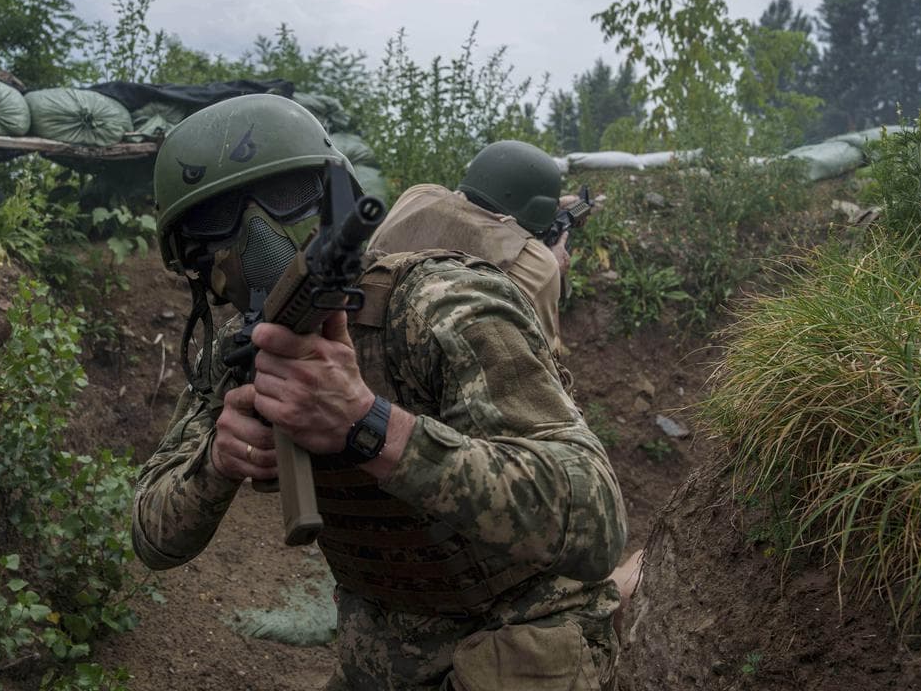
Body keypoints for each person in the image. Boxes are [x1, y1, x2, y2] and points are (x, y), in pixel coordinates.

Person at [131, 94, 627, 691]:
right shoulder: (238, 355)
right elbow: (152, 537)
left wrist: (369, 425)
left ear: (330, 197)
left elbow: (597, 519)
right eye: (218, 219)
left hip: (523, 638)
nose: (258, 235)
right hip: (384, 652)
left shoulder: (442, 306)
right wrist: (218, 460)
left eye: (285, 197)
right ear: (193, 259)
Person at [367, 139, 583, 356]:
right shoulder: (538, 265)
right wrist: (555, 270)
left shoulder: (416, 196)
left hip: (362, 352)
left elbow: (468, 208)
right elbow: (547, 361)